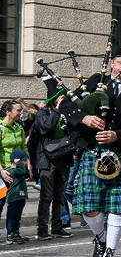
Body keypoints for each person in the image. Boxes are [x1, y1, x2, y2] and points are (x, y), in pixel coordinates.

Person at [59, 46, 121, 257]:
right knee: (89, 207)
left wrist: (117, 134)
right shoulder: (95, 82)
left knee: (117, 208)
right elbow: (65, 105)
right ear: (112, 63)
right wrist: (85, 118)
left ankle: (109, 253)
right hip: (93, 153)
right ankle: (101, 238)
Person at [33, 79, 75, 239]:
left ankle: (57, 227)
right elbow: (46, 128)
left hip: (63, 159)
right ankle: (42, 230)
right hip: (47, 160)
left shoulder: (66, 113)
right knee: (46, 197)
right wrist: (57, 110)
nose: (63, 100)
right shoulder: (43, 113)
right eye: (60, 97)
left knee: (60, 196)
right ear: (54, 99)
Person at [4, 149, 30, 244]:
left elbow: (26, 172)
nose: (25, 163)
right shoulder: (14, 171)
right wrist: (18, 162)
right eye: (24, 161)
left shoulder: (18, 170)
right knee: (12, 217)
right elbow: (23, 171)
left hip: (20, 198)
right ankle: (10, 236)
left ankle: (16, 233)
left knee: (17, 217)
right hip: (14, 198)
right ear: (17, 161)